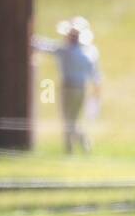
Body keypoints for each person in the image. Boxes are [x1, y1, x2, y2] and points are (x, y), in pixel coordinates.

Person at [32, 17, 102, 153]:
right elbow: (95, 75)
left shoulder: (66, 51)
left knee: (69, 121)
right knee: (72, 120)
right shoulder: (89, 52)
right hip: (80, 88)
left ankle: (77, 144)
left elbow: (45, 46)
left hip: (70, 88)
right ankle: (74, 146)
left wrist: (32, 39)